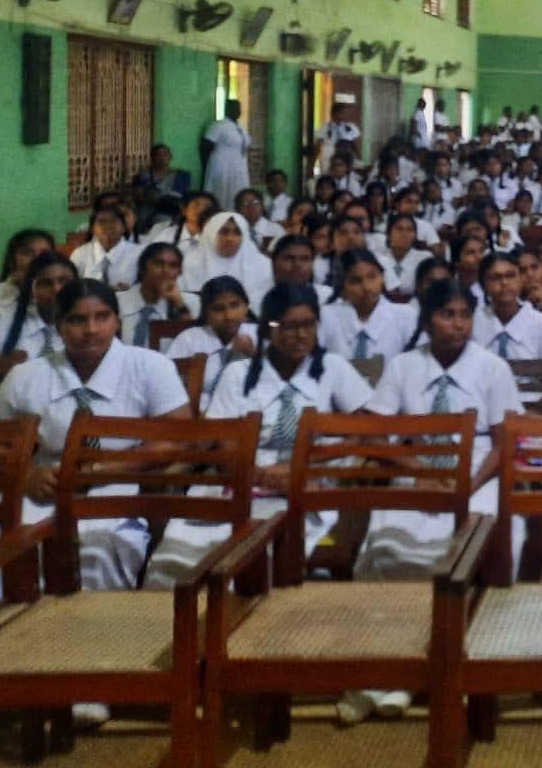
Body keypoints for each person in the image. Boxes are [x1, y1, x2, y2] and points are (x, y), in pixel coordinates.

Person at [0, 278, 191, 730]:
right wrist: (27, 472)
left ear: (117, 319)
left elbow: (178, 433)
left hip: (116, 486)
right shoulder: (29, 374)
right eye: (76, 319)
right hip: (43, 486)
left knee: (96, 549)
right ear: (58, 325)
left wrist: (112, 465)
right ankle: (9, 675)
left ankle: (89, 680)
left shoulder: (148, 365)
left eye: (101, 317)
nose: (91, 329)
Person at [341, 279, 522, 724]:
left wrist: (465, 482)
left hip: (478, 468)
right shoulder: (404, 366)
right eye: (447, 315)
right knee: (387, 545)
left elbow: (504, 445)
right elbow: (381, 434)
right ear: (427, 320)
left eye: (464, 315)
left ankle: (447, 670)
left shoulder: (492, 367)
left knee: (466, 544)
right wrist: (426, 472)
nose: (457, 325)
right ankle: (386, 672)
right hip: (419, 465)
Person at [144, 282, 373, 587]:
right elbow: (222, 438)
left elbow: (364, 432)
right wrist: (255, 474)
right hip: (240, 481)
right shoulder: (239, 373)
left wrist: (304, 470)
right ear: (267, 328)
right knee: (183, 559)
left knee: (260, 556)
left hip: (306, 484)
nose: (300, 335)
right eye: (288, 326)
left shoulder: (333, 368)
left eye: (308, 325)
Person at [162, 275, 257, 405]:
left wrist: (255, 355)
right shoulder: (189, 339)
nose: (229, 316)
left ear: (246, 306)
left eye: (235, 305)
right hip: (198, 413)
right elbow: (167, 383)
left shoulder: (260, 334)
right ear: (206, 312)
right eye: (218, 309)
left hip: (249, 410)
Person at [319, 248, 417, 362]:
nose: (366, 287)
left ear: (383, 278)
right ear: (343, 287)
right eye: (355, 281)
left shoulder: (406, 316)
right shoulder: (326, 316)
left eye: (372, 277)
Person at [0, 251, 76, 361]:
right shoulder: (5, 324)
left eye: (63, 281)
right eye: (46, 283)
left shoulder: (91, 324)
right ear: (31, 289)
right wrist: (2, 365)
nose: (56, 289)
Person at [180, 210, 272, 307]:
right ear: (211, 234)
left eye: (237, 233)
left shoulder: (264, 267)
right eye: (223, 232)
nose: (230, 238)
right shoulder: (189, 265)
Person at [70, 205, 140, 289]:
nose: (108, 226)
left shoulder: (138, 253)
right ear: (92, 229)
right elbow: (73, 287)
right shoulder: (80, 254)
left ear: (123, 227)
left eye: (113, 221)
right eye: (101, 221)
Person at [202, 100, 252, 212]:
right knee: (222, 193)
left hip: (239, 167)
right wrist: (207, 165)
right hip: (222, 166)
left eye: (239, 108)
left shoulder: (240, 127)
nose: (238, 111)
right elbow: (206, 146)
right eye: (235, 108)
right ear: (227, 109)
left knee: (238, 193)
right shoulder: (218, 125)